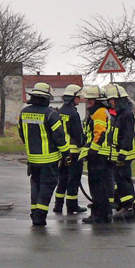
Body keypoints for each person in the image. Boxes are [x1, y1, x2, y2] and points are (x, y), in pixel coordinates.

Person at [17, 82, 71, 226]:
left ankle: (34, 212)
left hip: (33, 159)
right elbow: (59, 137)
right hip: (49, 159)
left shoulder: (24, 112)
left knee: (35, 186)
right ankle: (40, 216)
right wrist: (66, 153)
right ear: (46, 97)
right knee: (46, 187)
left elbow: (22, 133)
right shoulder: (51, 114)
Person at [78, 85, 113, 224]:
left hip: (99, 156)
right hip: (103, 155)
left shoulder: (99, 113)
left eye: (90, 100)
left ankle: (98, 215)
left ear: (96, 101)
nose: (87, 103)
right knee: (102, 186)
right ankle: (105, 212)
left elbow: (100, 133)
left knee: (96, 186)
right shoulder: (103, 111)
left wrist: (92, 151)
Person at [53, 84, 88, 215]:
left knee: (62, 179)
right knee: (73, 180)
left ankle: (58, 205)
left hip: (62, 152)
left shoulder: (60, 111)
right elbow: (77, 134)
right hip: (74, 153)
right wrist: (83, 144)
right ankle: (72, 206)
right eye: (78, 97)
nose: (80, 99)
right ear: (73, 97)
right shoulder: (74, 113)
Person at [106, 84, 135, 220]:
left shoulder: (126, 115)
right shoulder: (120, 114)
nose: (110, 103)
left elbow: (127, 135)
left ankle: (128, 207)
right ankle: (124, 205)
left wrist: (123, 153)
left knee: (124, 181)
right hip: (119, 153)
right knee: (120, 180)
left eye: (112, 100)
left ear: (119, 100)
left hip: (124, 154)